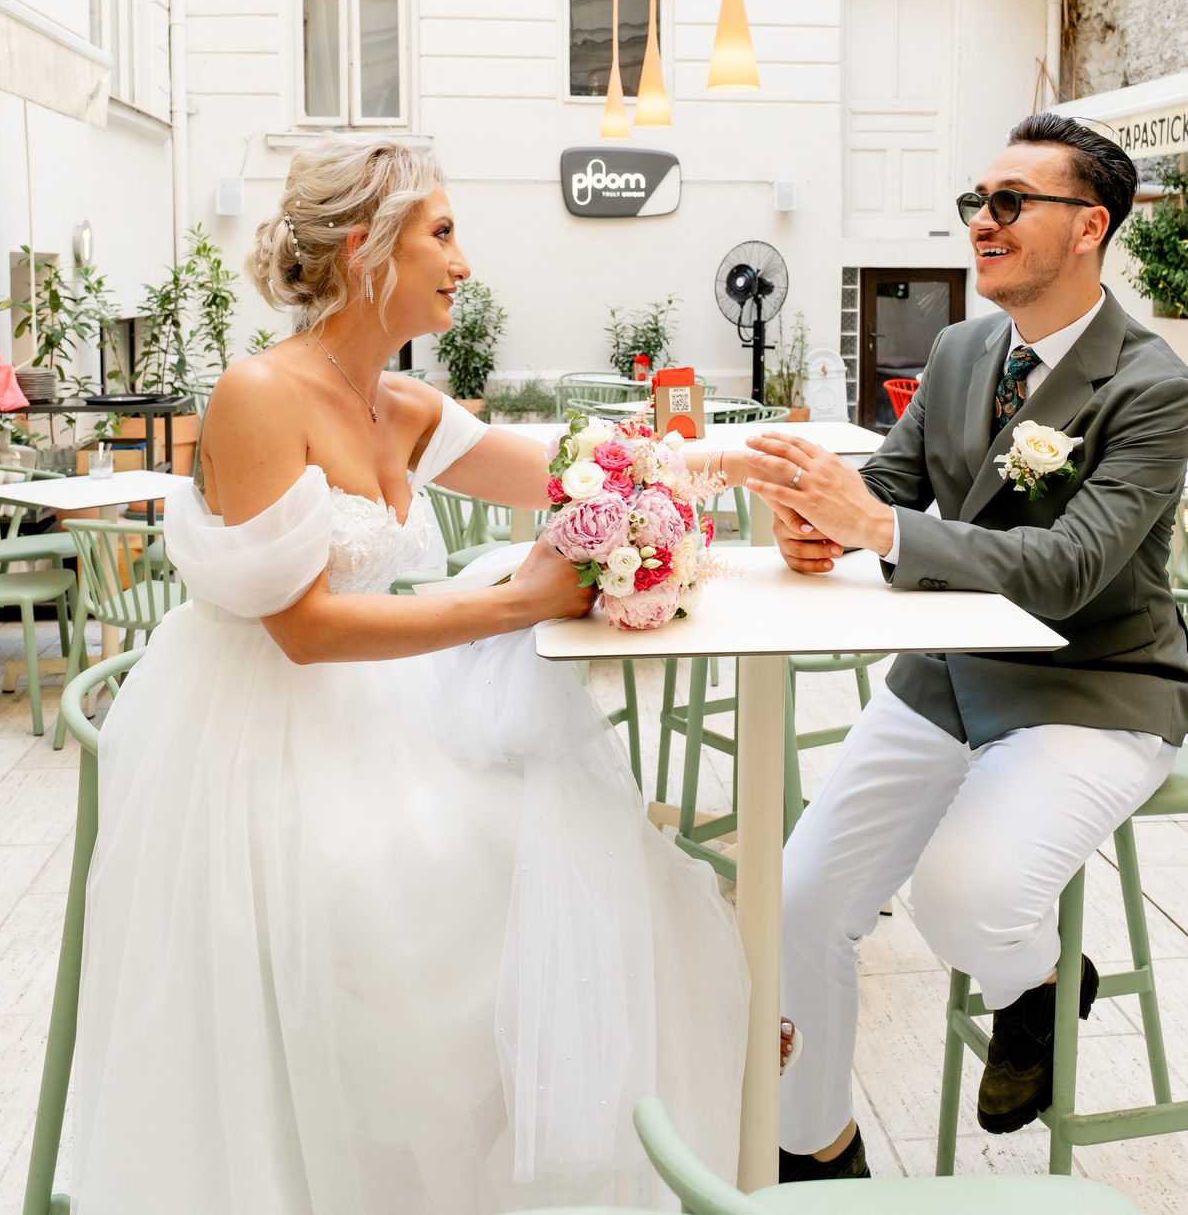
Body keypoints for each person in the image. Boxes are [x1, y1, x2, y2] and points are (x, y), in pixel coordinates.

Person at [70, 137, 747, 1213]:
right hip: (259, 741)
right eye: (442, 233)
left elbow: (568, 473)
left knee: (601, 858)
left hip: (377, 712)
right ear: (364, 248)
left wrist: (735, 464)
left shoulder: (406, 406)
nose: (463, 263)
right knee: (464, 908)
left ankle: (565, 1139)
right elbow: (302, 630)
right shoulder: (258, 394)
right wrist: (519, 602)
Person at [730, 114, 1188, 1181]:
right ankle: (817, 1153)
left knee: (961, 900)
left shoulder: (1156, 387)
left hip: (1095, 680)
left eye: (1009, 202)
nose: (981, 222)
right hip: (948, 672)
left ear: (1089, 226)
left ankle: (1037, 981)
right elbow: (891, 488)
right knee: (795, 902)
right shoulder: (957, 349)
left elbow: (1072, 566)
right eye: (975, 203)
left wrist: (881, 529)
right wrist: (819, 522)